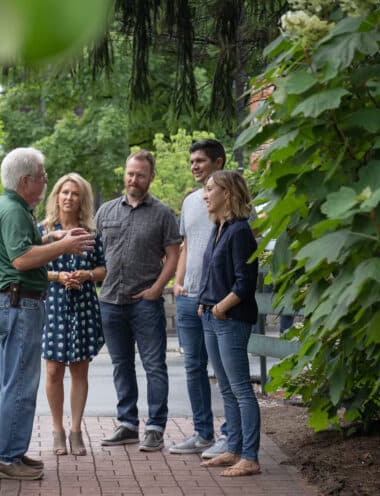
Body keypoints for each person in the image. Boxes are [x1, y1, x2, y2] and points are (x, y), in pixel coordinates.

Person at [0, 148, 95, 480]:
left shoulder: (14, 207)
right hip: (18, 303)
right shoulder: (13, 210)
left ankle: (13, 452)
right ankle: (7, 458)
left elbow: (22, 247)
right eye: (43, 176)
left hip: (14, 303)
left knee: (17, 382)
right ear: (25, 180)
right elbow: (21, 259)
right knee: (20, 384)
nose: (46, 181)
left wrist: (52, 236)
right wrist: (64, 246)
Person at [95, 149, 181, 452]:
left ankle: (155, 428)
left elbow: (174, 255)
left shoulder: (163, 213)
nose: (133, 179)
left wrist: (157, 288)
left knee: (154, 366)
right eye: (130, 174)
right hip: (110, 301)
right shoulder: (105, 212)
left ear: (151, 177)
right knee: (121, 365)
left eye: (140, 175)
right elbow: (94, 251)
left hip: (145, 301)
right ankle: (128, 424)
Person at [197, 170, 261, 477]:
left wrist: (221, 306)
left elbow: (245, 282)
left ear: (228, 193)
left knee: (241, 389)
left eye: (211, 189)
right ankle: (234, 449)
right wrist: (204, 301)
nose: (205, 194)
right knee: (225, 388)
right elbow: (213, 273)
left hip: (231, 318)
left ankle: (250, 457)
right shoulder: (218, 228)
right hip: (211, 316)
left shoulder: (240, 231)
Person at [170, 139, 230, 459]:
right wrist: (177, 282)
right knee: (194, 367)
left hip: (217, 299)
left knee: (224, 370)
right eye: (192, 160)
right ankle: (202, 433)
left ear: (218, 162)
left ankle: (229, 435)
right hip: (188, 297)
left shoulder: (230, 200)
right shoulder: (191, 201)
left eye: (201, 160)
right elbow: (187, 245)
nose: (194, 165)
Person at [39, 173, 106, 456]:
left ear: (82, 199)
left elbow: (103, 269)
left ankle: (76, 430)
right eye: (64, 192)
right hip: (53, 304)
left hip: (82, 304)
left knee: (80, 369)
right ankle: (58, 430)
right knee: (53, 370)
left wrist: (86, 275)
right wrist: (57, 276)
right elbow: (31, 267)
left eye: (75, 193)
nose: (68, 197)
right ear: (56, 196)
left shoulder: (90, 233)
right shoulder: (43, 231)